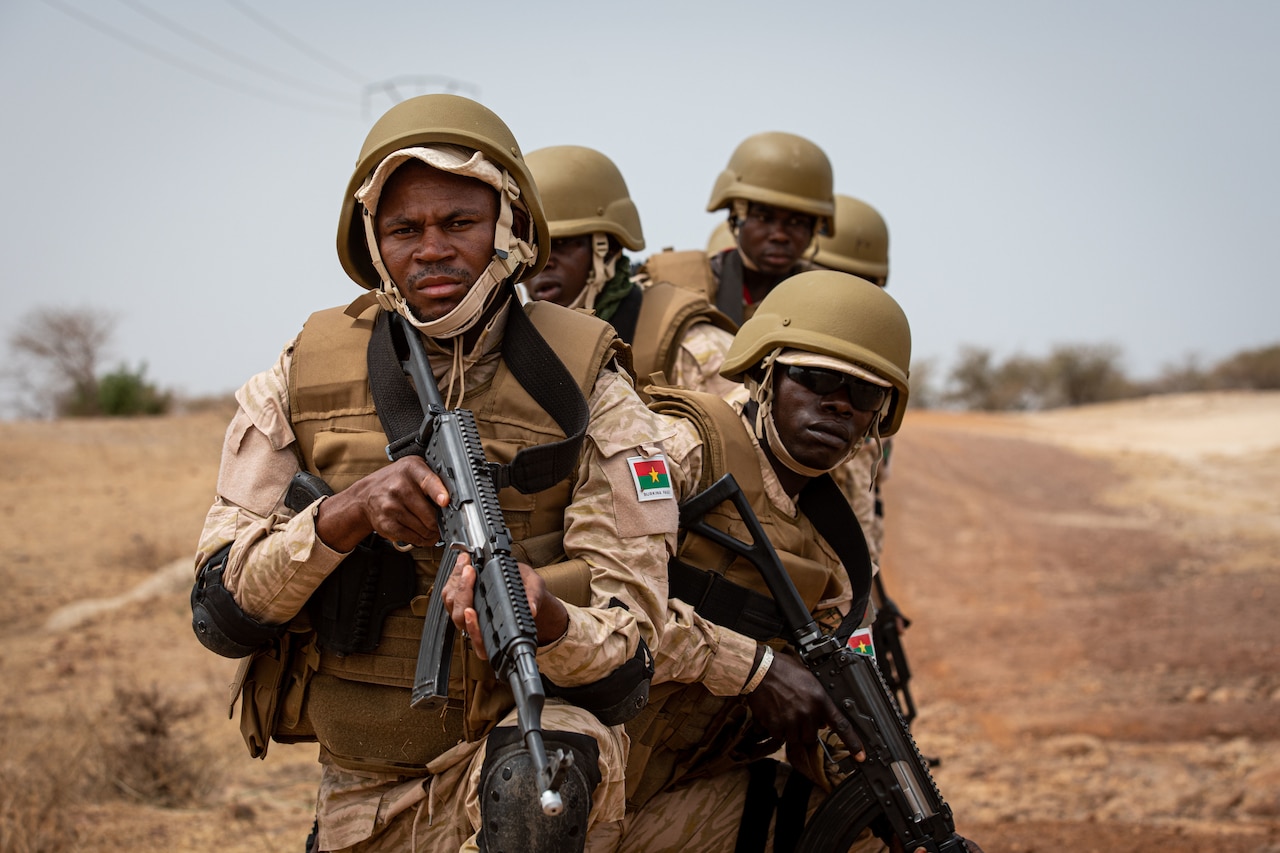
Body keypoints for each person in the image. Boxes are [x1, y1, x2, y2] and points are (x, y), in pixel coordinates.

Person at [189, 94, 677, 853]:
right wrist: (339, 519)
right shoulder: (302, 372)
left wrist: (541, 611)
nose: (433, 250)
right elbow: (220, 606)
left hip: (526, 739)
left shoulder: (591, 383)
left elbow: (631, 651)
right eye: (405, 229)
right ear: (376, 243)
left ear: (509, 228)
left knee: (535, 793)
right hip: (365, 778)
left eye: (460, 223)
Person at [602, 271, 914, 852]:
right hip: (577, 766)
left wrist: (899, 809)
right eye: (816, 377)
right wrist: (757, 670)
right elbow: (605, 613)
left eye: (863, 394)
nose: (837, 403)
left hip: (670, 792)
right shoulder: (675, 453)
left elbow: (851, 699)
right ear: (766, 373)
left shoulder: (838, 550)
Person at [524, 144, 738, 396]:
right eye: (532, 245)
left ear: (609, 248)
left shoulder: (692, 346)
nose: (544, 261)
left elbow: (740, 430)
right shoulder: (507, 345)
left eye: (563, 244)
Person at [637, 131, 836, 325]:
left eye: (796, 223)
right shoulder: (672, 285)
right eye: (763, 217)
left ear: (814, 229)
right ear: (736, 217)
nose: (780, 235)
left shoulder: (829, 298)